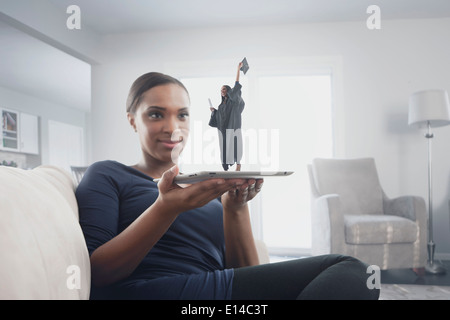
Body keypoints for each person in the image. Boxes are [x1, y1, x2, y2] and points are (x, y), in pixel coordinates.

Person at [76, 71, 380, 300]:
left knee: (358, 279)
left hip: (213, 297)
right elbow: (98, 274)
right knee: (354, 270)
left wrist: (235, 209)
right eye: (156, 114)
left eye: (182, 115)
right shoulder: (108, 174)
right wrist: (165, 207)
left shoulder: (206, 190)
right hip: (146, 291)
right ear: (132, 120)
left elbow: (248, 277)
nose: (173, 127)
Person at [209, 62, 245, 171]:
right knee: (224, 148)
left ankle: (238, 164)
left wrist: (238, 69)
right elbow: (219, 118)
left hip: (232, 127)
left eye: (224, 89)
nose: (222, 91)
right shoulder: (221, 105)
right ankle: (225, 169)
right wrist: (214, 111)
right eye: (221, 90)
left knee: (234, 144)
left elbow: (236, 87)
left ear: (228, 90)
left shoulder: (233, 101)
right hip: (224, 130)